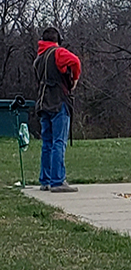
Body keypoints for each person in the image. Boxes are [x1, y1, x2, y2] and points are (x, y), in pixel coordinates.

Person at [33, 27, 81, 192]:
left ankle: (45, 180)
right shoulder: (58, 53)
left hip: (42, 102)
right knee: (59, 141)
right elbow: (75, 61)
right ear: (57, 40)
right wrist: (74, 80)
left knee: (47, 142)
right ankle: (58, 181)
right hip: (58, 101)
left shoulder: (39, 58)